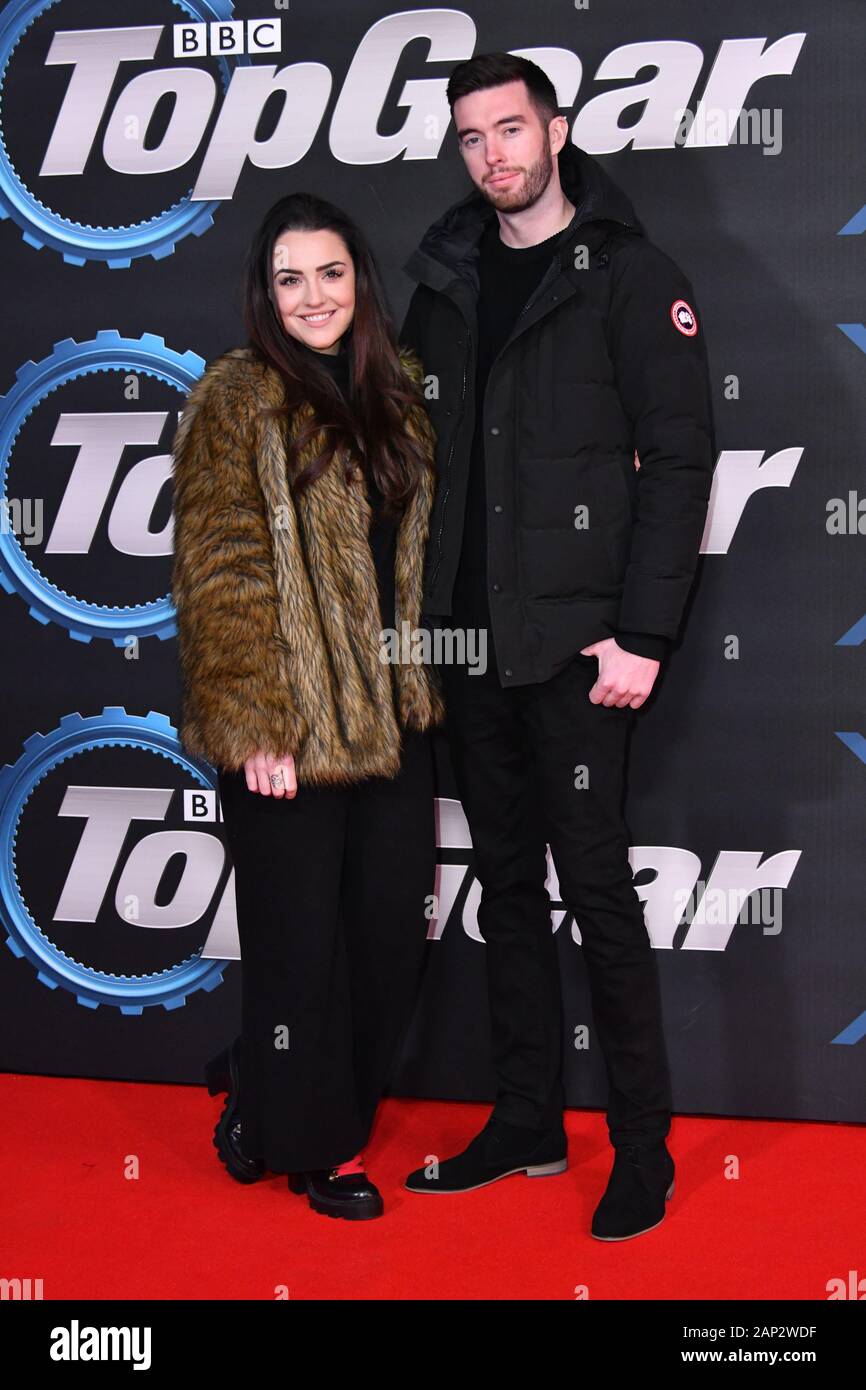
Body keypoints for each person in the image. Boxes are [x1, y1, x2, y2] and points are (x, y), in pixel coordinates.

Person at [399, 53, 716, 1239]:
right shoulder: (443, 280)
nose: (492, 155)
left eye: (509, 129)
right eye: (471, 138)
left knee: (595, 893)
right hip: (470, 648)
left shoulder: (627, 276)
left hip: (583, 654)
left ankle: (643, 1150)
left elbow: (680, 459)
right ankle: (525, 1119)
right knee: (506, 898)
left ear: (555, 129)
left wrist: (642, 632)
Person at [170, 192, 444, 1221]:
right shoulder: (235, 397)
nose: (312, 295)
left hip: (391, 722)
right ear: (264, 294)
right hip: (287, 728)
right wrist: (254, 726)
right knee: (302, 953)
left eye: (328, 272)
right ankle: (300, 1140)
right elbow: (222, 572)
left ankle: (256, 1072)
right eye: (289, 278)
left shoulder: (399, 393)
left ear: (358, 281)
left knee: (384, 946)